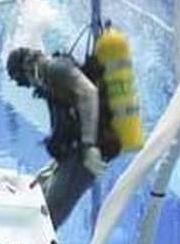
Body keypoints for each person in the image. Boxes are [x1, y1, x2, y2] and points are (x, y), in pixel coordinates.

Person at [6, 46, 108, 227]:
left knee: (46, 218)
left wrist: (89, 146)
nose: (31, 86)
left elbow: (89, 92)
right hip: (72, 156)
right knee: (37, 196)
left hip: (83, 157)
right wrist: (54, 166)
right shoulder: (50, 79)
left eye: (25, 82)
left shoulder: (56, 69)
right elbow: (69, 126)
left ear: (28, 67)